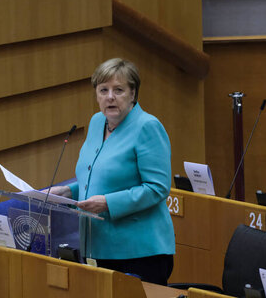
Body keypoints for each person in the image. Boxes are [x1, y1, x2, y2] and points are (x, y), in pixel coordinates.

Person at [50, 58, 175, 285]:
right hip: (96, 245)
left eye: (119, 90)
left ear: (133, 94)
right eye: (103, 90)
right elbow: (95, 178)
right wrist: (69, 192)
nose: (110, 97)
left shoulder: (147, 126)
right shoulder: (98, 122)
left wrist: (108, 203)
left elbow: (157, 188)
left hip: (139, 252)